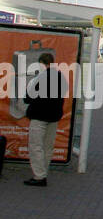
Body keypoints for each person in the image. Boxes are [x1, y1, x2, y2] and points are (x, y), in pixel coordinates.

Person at [23, 53, 66, 187]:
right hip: (54, 117)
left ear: (41, 63)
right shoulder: (61, 77)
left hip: (39, 117)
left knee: (36, 146)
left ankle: (39, 176)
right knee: (48, 146)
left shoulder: (39, 78)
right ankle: (43, 172)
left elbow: (28, 98)